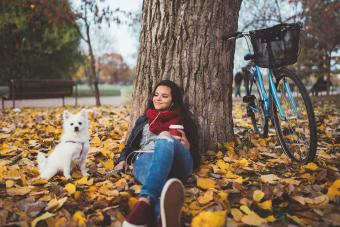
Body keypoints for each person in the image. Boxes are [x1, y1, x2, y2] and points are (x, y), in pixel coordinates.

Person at [114, 80, 200, 227]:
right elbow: (129, 147)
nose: (158, 98)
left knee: (165, 135)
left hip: (178, 161)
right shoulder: (143, 120)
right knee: (162, 181)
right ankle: (162, 216)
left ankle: (144, 201)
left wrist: (188, 147)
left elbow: (196, 159)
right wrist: (123, 160)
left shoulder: (184, 121)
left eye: (164, 96)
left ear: (173, 100)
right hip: (146, 159)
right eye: (156, 94)